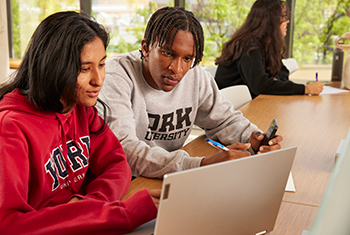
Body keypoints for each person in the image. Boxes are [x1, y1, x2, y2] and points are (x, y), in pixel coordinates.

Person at [0, 11, 159, 235]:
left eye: (102, 64)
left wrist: (87, 206)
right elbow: (8, 225)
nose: (98, 79)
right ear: (54, 67)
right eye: (85, 69)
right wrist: (119, 214)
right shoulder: (10, 128)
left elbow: (117, 164)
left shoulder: (81, 109)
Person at [97, 6, 283, 179]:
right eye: (168, 53)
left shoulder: (195, 76)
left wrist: (253, 138)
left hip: (169, 176)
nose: (177, 68)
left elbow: (225, 120)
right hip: (129, 180)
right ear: (146, 47)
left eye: (187, 58)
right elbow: (125, 150)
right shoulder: (116, 75)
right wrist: (198, 165)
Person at [214, 0, 324, 99]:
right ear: (270, 20)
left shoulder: (266, 44)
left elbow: (283, 72)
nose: (287, 21)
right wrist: (305, 89)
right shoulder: (249, 46)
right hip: (235, 109)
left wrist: (272, 81)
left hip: (253, 102)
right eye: (283, 16)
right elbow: (260, 85)